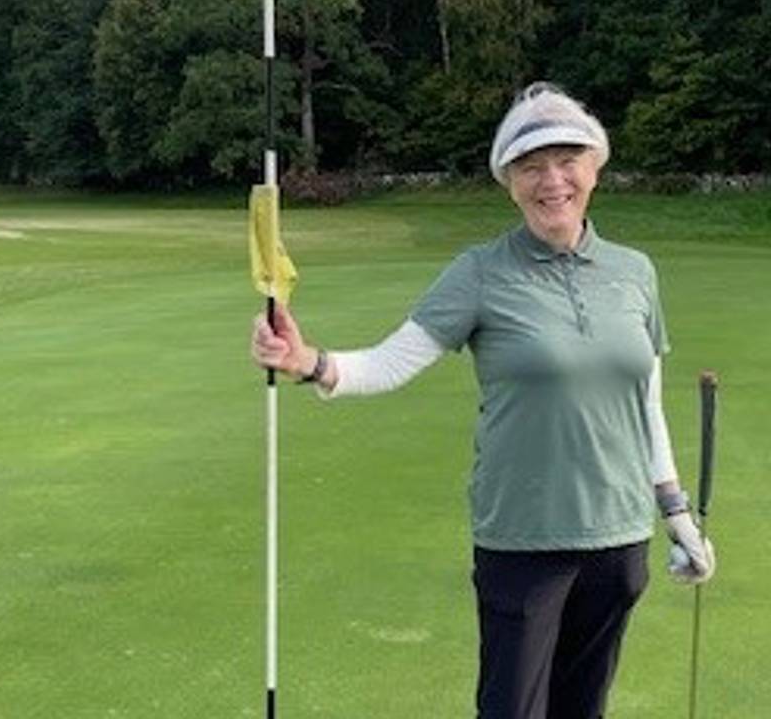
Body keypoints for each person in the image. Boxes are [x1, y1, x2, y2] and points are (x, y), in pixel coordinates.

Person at [249, 82, 715, 719]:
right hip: (523, 541)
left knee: (584, 710)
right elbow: (391, 361)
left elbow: (646, 406)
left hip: (619, 537)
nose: (552, 181)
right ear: (508, 182)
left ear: (595, 168)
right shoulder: (480, 272)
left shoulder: (635, 272)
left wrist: (676, 512)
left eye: (567, 160)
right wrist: (309, 362)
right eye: (531, 166)